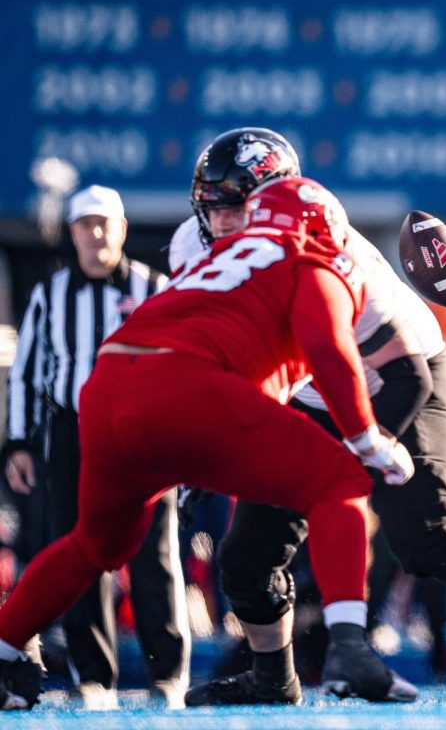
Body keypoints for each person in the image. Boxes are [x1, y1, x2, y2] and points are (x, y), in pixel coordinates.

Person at [174, 127, 446, 706]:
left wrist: (358, 453)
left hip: (396, 378)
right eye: (214, 209)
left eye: (240, 211)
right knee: (246, 556)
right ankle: (272, 677)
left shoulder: (338, 258)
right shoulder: (191, 245)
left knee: (427, 544)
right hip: (302, 394)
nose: (225, 226)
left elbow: (410, 375)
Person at [0, 176, 423, 711]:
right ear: (324, 226)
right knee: (340, 479)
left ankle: (4, 649)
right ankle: (348, 650)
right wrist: (368, 439)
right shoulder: (310, 257)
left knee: (96, 544)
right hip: (187, 388)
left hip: (108, 388)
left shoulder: (209, 261)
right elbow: (326, 344)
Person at [3, 185, 189, 709]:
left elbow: (179, 366)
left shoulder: (155, 288)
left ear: (122, 229)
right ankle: (93, 675)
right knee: (79, 551)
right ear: (73, 232)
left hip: (143, 436)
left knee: (156, 551)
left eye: (105, 223)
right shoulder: (50, 293)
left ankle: (167, 673)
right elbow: (28, 374)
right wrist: (19, 442)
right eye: (86, 224)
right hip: (72, 433)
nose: (96, 233)